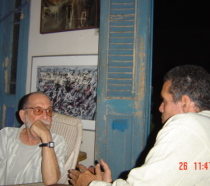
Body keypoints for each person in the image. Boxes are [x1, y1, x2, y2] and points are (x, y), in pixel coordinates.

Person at [69, 65, 210, 186]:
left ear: (184, 102)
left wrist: (90, 183)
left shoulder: (186, 126)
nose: (160, 108)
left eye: (164, 101)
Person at [0, 92, 67, 185]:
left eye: (49, 111)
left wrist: (46, 138)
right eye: (38, 110)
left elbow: (51, 181)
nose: (45, 116)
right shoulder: (5, 135)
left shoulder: (57, 142)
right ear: (23, 116)